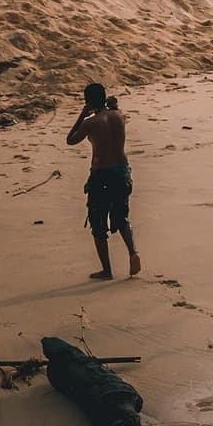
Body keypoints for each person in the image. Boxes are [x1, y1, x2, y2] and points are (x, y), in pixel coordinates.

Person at [67, 83, 140, 280]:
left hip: (102, 174)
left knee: (98, 222)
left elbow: (70, 140)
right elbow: (115, 110)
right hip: (122, 171)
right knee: (121, 216)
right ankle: (133, 252)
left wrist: (82, 115)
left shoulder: (90, 122)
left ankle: (107, 270)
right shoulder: (119, 116)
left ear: (88, 102)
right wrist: (113, 106)